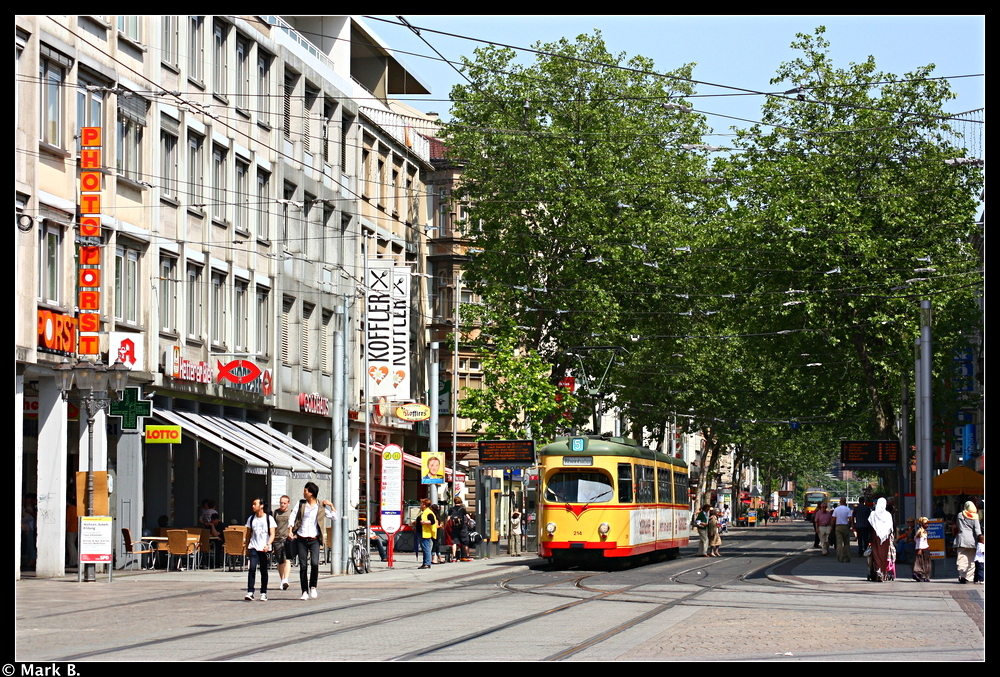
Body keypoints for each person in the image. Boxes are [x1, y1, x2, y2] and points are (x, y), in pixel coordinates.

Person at [288, 482, 336, 600]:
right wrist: (290, 530)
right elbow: (293, 516)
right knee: (303, 566)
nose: (303, 492)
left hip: (314, 539)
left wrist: (331, 505)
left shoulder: (320, 506)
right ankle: (304, 591)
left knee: (314, 563)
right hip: (301, 538)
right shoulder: (301, 503)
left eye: (305, 490)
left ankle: (313, 586)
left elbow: (334, 517)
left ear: (311, 493)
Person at [244, 498, 276, 601]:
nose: (253, 506)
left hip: (264, 548)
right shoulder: (251, 519)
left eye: (255, 504)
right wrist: (246, 547)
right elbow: (248, 534)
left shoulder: (269, 518)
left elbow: (272, 534)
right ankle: (250, 591)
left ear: (261, 506)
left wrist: (268, 544)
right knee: (252, 568)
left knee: (263, 570)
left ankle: (263, 592)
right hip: (253, 546)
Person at [867, 497, 895, 581]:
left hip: (875, 536)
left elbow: (870, 525)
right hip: (885, 537)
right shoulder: (888, 515)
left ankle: (877, 570)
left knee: (875, 554)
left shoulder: (873, 514)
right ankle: (882, 572)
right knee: (883, 554)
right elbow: (890, 527)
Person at [955, 501, 982, 584]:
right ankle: (969, 577)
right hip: (972, 541)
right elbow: (977, 530)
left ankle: (962, 575)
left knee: (961, 558)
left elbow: (958, 525)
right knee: (971, 560)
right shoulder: (975, 516)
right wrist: (981, 540)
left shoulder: (960, 515)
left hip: (962, 539)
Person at [272, 495, 292, 590]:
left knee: (287, 559)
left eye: (284, 503)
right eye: (281, 503)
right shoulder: (275, 513)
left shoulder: (291, 513)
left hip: (287, 539)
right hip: (277, 539)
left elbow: (293, 525)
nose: (282, 505)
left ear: (288, 503)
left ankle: (286, 580)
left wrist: (291, 533)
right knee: (280, 561)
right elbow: (272, 526)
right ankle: (282, 580)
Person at [449, 497, 472, 561]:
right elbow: (468, 517)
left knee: (454, 542)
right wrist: (467, 522)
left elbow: (448, 519)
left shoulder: (451, 509)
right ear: (460, 501)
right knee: (465, 542)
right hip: (462, 527)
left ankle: (454, 557)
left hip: (454, 527)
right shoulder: (462, 509)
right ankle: (467, 556)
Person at [832, 497, 853, 562]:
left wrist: (832, 526)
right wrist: (849, 525)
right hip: (845, 526)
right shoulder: (847, 509)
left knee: (839, 543)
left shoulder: (836, 509)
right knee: (846, 543)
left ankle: (840, 557)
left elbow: (833, 519)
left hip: (838, 526)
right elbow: (850, 519)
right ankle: (847, 557)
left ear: (840, 502)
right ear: (845, 502)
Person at [417, 498, 436, 569]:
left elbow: (432, 521)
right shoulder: (423, 512)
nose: (420, 505)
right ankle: (425, 563)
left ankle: (427, 563)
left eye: (421, 504)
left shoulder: (428, 512)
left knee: (426, 548)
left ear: (424, 505)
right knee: (425, 548)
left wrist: (424, 522)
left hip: (425, 532)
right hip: (422, 532)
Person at [912, 516, 932, 582]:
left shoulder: (919, 531)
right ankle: (924, 576)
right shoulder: (922, 532)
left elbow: (915, 539)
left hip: (918, 548)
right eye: (926, 524)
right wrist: (920, 549)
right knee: (925, 563)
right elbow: (921, 541)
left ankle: (917, 573)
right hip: (923, 549)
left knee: (918, 562)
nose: (927, 525)